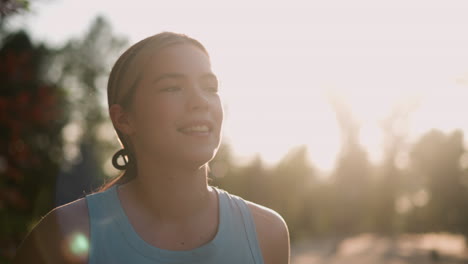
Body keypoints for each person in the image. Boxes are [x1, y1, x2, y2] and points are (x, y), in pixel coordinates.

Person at [13, 31, 290, 264]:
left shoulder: (268, 233)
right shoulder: (64, 232)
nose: (201, 102)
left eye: (210, 87)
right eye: (172, 88)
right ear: (124, 119)